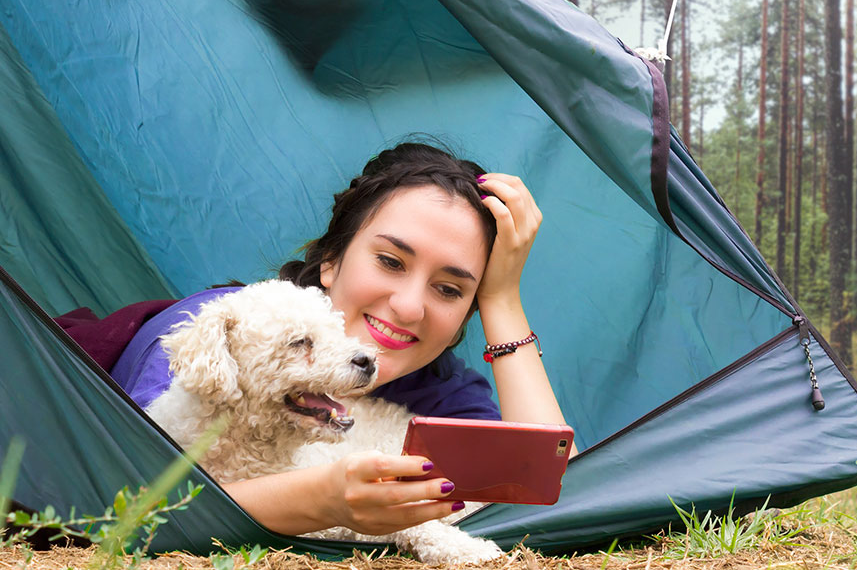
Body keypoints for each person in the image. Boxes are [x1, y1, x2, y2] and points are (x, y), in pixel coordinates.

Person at [113, 141, 569, 537]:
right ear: (330, 260)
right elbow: (131, 497)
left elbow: (551, 494)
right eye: (391, 261)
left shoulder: (439, 391)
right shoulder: (227, 333)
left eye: (450, 290)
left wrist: (504, 298)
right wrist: (322, 499)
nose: (410, 307)